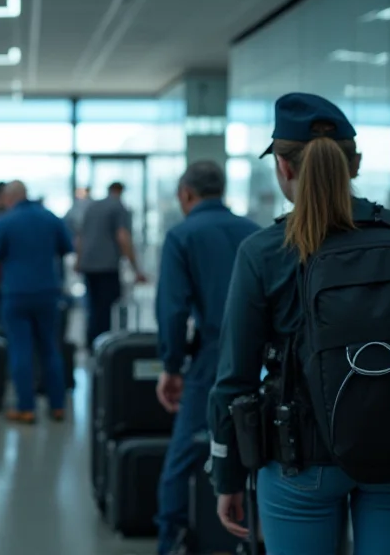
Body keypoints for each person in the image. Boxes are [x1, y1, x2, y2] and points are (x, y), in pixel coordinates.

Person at [208, 93, 390, 555]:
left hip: (299, 461)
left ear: (285, 169)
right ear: (355, 164)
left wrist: (227, 474)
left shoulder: (262, 251)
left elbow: (235, 377)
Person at [153, 161, 259, 555]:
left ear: (186, 194)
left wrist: (171, 366)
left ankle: (172, 540)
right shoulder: (256, 232)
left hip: (213, 357)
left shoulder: (182, 235)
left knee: (185, 452)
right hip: (261, 357)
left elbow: (173, 310)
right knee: (256, 449)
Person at [0, 181, 74, 423]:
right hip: (48, 292)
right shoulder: (50, 218)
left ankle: (27, 407)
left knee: (21, 348)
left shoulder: (5, 222)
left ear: (10, 198)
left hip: (16, 293)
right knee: (50, 348)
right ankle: (57, 406)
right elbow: (67, 247)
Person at [77, 181, 148, 348]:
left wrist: (79, 261)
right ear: (120, 191)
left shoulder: (92, 207)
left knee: (93, 308)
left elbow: (80, 237)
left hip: (89, 265)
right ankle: (105, 346)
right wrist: (136, 268)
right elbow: (122, 236)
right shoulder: (118, 207)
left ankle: (92, 345)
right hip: (106, 266)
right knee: (107, 308)